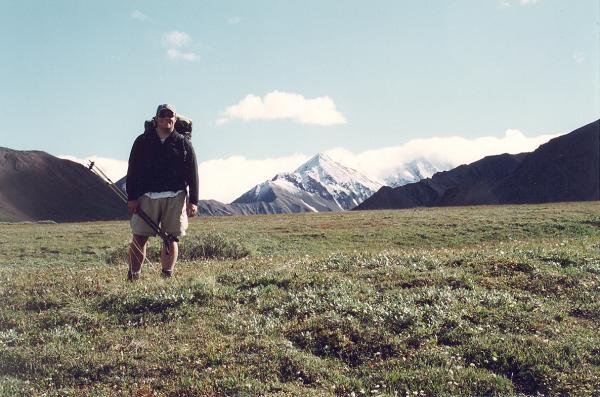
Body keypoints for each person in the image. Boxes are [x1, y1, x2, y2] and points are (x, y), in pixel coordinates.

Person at [125, 104, 199, 281]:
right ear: (156, 119)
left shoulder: (183, 143)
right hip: (146, 196)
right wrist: (132, 197)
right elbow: (132, 170)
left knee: (170, 239)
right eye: (163, 117)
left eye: (170, 117)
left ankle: (167, 276)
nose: (167, 120)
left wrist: (193, 200)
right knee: (139, 238)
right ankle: (133, 276)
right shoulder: (142, 141)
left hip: (176, 196)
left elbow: (192, 173)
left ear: (175, 119)